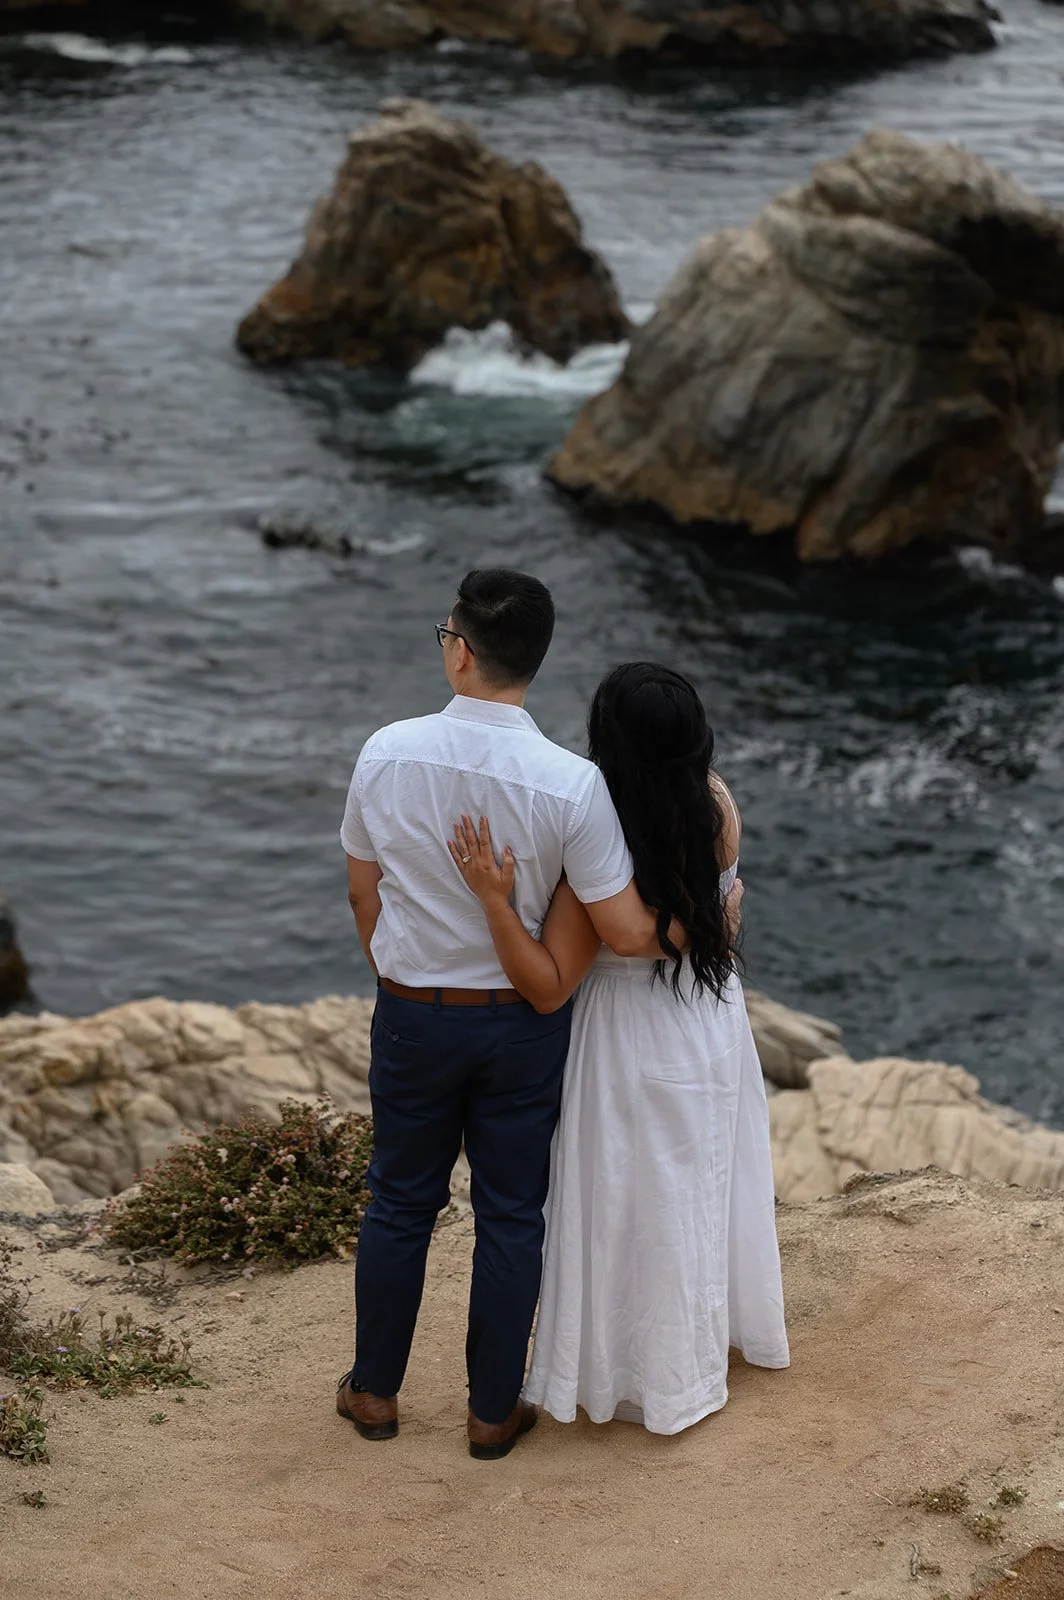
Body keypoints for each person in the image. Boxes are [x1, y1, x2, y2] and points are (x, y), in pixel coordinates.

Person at [338, 571, 678, 1461]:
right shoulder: (574, 787)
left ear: (459, 649)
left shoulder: (386, 752)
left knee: (400, 1203)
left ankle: (374, 1393)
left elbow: (361, 888)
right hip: (522, 1026)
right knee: (511, 1214)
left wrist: (398, 971)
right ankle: (493, 1411)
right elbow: (614, 925)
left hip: (413, 1015)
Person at [449, 661, 789, 1436]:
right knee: (699, 1186)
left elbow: (582, 959)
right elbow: (722, 907)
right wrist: (713, 928)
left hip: (621, 1028)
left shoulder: (588, 822)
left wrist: (497, 903)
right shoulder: (718, 805)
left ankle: (625, 1369)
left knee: (618, 1199)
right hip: (707, 1018)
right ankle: (692, 1354)